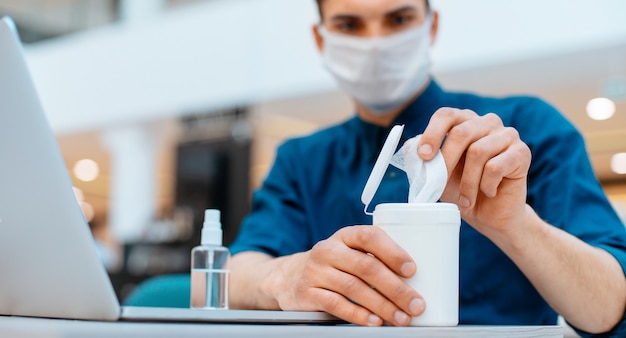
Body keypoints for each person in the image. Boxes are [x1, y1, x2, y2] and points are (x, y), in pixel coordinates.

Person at [226, 0, 626, 335]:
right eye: (349, 24)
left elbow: (609, 307)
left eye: (398, 19)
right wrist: (284, 276)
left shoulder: (521, 133)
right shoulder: (301, 160)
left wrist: (517, 226)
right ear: (321, 37)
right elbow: (229, 277)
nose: (376, 44)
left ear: (430, 25)